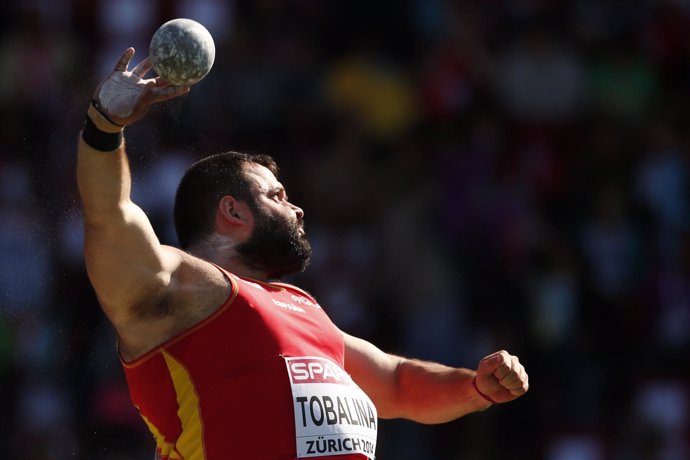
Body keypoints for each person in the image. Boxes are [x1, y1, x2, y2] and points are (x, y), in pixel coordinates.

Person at [78, 48, 529, 460]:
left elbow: (397, 383)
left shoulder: (306, 310)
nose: (297, 208)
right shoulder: (185, 290)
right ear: (233, 210)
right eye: (277, 195)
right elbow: (109, 216)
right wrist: (104, 127)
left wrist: (475, 387)